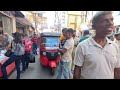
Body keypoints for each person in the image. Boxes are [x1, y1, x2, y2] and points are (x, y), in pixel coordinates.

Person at [73, 11, 120, 79]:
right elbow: (77, 71)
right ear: (94, 26)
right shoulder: (83, 46)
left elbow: (117, 71)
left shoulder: (114, 46)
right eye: (105, 20)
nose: (110, 23)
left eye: (111, 20)